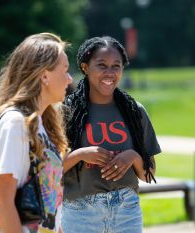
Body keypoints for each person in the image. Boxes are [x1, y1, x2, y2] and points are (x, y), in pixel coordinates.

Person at [61, 36, 161, 233]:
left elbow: (149, 175)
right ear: (85, 67)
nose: (110, 72)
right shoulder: (66, 111)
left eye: (116, 66)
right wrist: (80, 154)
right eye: (101, 65)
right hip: (81, 212)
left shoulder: (134, 112)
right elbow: (50, 170)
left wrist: (132, 156)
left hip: (127, 210)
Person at [0, 32, 73, 233]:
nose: (69, 79)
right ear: (44, 76)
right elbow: (2, 200)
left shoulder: (39, 123)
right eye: (65, 70)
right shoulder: (14, 122)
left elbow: (49, 206)